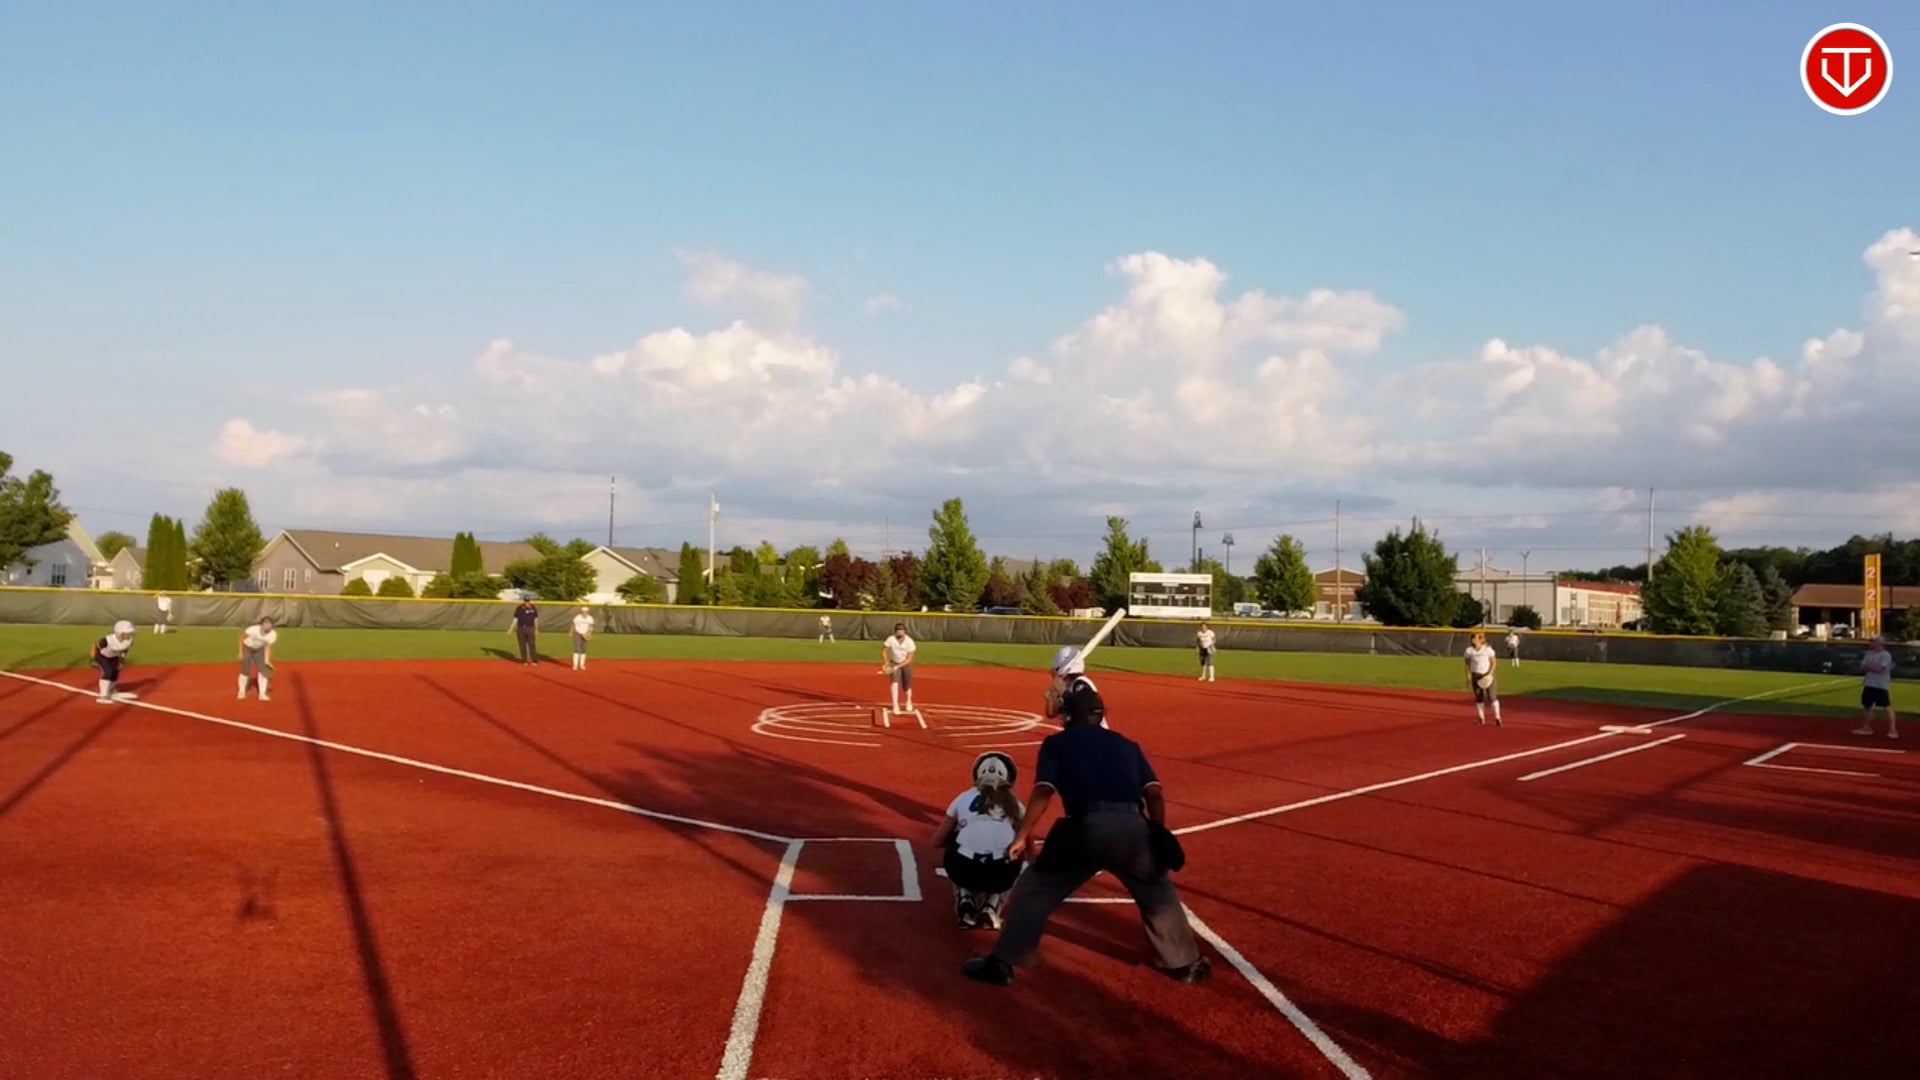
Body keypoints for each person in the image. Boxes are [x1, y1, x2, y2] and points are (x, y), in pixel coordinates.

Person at [962, 678, 1210, 987]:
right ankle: (1185, 964)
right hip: (1133, 828)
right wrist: (1156, 832)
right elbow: (1154, 794)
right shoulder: (1128, 745)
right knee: (1157, 890)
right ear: (1100, 713)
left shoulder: (1057, 744)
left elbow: (1044, 790)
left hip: (1085, 828)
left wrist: (1023, 834)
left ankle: (1003, 963)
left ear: (1068, 715)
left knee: (1035, 890)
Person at [930, 752, 1025, 930]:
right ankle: (991, 905)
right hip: (1000, 871)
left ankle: (965, 895)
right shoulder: (1016, 805)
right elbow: (1028, 843)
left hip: (963, 868)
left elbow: (936, 841)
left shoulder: (963, 797)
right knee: (1017, 848)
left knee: (957, 840)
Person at [1045, 645, 1108, 729]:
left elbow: (1081, 705)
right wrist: (1051, 699)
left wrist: (1063, 692)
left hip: (1093, 733)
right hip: (1079, 732)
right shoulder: (1066, 686)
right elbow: (1051, 713)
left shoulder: (1081, 683)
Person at [1854, 634, 1899, 740]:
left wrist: (1869, 667)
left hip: (1881, 685)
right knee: (1867, 706)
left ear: (1879, 643)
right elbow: (1863, 667)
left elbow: (1880, 668)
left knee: (1886, 706)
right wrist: (1870, 667)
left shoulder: (1885, 655)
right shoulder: (1869, 653)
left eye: (1873, 642)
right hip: (1869, 683)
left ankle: (1892, 730)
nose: (1870, 643)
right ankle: (1866, 727)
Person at [90, 620, 136, 704]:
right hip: (101, 656)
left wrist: (122, 660)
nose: (129, 634)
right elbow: (95, 646)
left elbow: (124, 650)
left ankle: (111, 691)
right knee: (108, 672)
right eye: (127, 633)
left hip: (114, 657)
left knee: (115, 672)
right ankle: (103, 696)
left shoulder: (129, 640)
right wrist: (93, 658)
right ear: (120, 633)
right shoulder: (108, 640)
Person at [1466, 631, 1502, 726]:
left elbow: (1494, 663)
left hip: (1487, 675)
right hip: (1476, 675)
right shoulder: (1469, 651)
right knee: (1479, 698)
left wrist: (1489, 674)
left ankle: (1497, 717)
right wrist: (1468, 675)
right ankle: (1481, 718)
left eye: (1476, 637)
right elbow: (1467, 664)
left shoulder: (1487, 650)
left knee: (1492, 697)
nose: (1474, 639)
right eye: (1473, 637)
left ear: (1481, 639)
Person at [237, 617, 277, 701]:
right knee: (245, 670)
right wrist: (240, 652)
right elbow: (241, 638)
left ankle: (262, 694)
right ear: (261, 624)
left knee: (263, 671)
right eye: (265, 623)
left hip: (259, 650)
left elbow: (267, 646)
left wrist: (266, 660)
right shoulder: (252, 630)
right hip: (247, 647)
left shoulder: (272, 634)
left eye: (269, 623)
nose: (267, 625)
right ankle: (241, 691)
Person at [881, 622, 916, 714]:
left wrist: (898, 666)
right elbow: (884, 651)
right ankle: (895, 705)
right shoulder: (891, 639)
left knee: (906, 686)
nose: (900, 632)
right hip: (894, 662)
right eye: (898, 630)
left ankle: (908, 701)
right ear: (895, 631)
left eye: (901, 630)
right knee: (894, 683)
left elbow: (909, 658)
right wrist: (886, 663)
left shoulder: (909, 641)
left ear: (905, 631)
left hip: (906, 664)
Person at [509, 597, 539, 666]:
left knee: (532, 644)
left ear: (529, 601)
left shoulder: (533, 607)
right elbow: (515, 618)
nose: (527, 602)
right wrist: (511, 628)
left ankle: (534, 660)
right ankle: (524, 660)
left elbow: (535, 618)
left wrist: (536, 629)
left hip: (530, 628)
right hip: (521, 628)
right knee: (522, 645)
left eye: (528, 601)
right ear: (524, 601)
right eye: (525, 601)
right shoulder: (519, 608)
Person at [570, 606, 594, 670]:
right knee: (577, 649)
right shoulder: (578, 617)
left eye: (586, 612)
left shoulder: (590, 618)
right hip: (577, 633)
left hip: (585, 634)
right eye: (583, 612)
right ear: (581, 612)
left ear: (588, 612)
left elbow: (591, 626)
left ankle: (582, 665)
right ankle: (575, 665)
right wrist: (571, 631)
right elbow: (573, 624)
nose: (585, 613)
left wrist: (589, 633)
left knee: (584, 649)